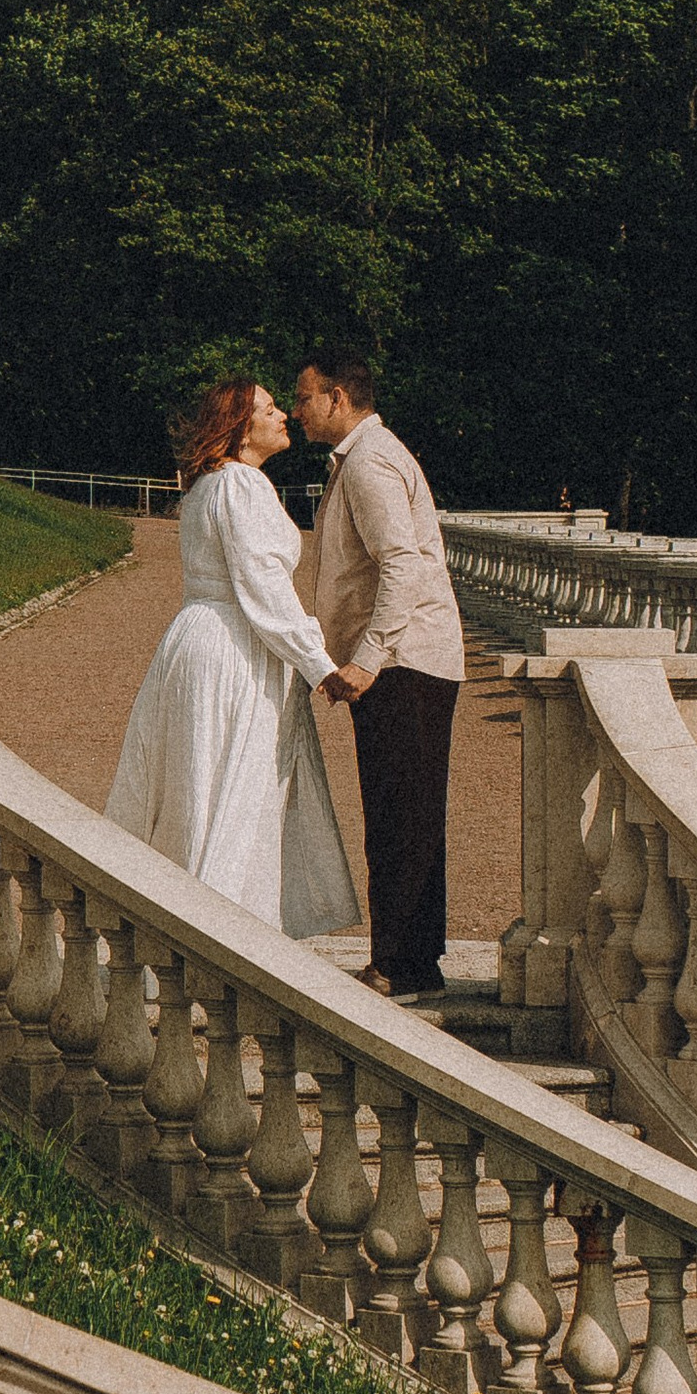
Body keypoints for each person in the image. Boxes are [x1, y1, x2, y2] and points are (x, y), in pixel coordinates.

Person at [105, 379, 358, 936]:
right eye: (270, 410)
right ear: (242, 427)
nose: (283, 417)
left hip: (195, 640)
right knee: (234, 790)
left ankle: (187, 927)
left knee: (194, 787)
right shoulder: (242, 485)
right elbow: (263, 586)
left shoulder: (206, 487)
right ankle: (220, 937)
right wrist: (321, 665)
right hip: (235, 648)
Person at [292, 351, 466, 998]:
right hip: (404, 661)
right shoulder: (362, 460)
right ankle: (411, 957)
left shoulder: (369, 462)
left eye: (305, 396)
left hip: (406, 662)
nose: (296, 409)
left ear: (338, 397)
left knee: (403, 811)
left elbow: (403, 566)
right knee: (403, 809)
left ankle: (402, 964)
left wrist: (367, 658)